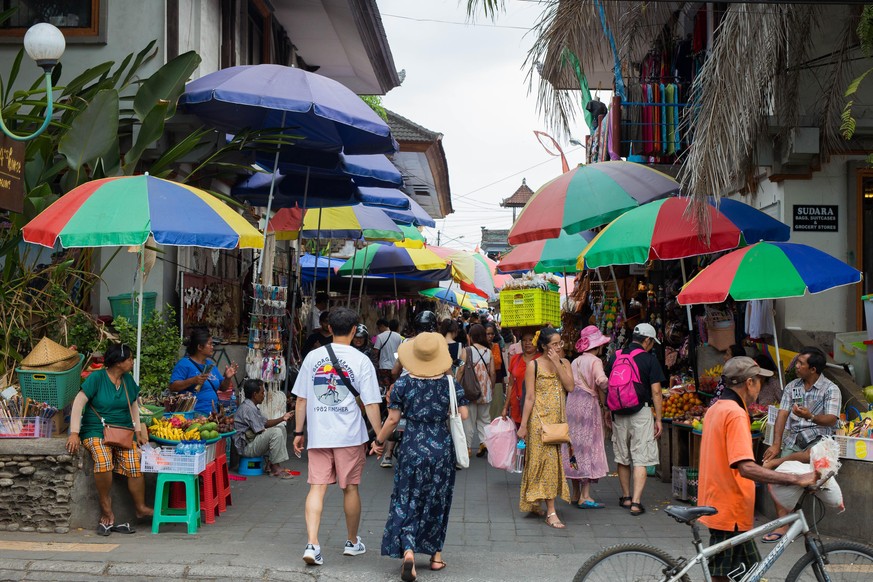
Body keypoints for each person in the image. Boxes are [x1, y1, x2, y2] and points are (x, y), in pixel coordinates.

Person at [698, 356, 817, 582]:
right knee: (732, 576)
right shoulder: (734, 413)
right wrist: (793, 478)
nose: (760, 387)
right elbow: (746, 468)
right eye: (759, 381)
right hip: (729, 509)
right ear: (749, 383)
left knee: (742, 575)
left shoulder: (716, 409)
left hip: (720, 503)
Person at [371, 332, 469, 582]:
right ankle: (436, 557)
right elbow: (464, 415)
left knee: (407, 497)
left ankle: (409, 552)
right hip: (441, 448)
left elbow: (392, 419)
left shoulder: (403, 384)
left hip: (413, 446)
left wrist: (379, 441)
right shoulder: (450, 384)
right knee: (437, 498)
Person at [292, 307, 384, 566]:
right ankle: (352, 542)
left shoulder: (312, 358)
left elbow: (301, 399)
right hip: (350, 436)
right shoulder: (361, 360)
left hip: (319, 434)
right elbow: (372, 404)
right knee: (351, 488)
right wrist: (379, 437)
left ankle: (312, 544)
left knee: (316, 488)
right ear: (355, 330)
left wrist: (299, 432)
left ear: (329, 328)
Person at [66, 342, 152, 536]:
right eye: (129, 359)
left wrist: (138, 430)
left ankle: (140, 508)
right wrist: (74, 432)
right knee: (103, 460)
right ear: (118, 362)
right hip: (95, 431)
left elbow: (133, 406)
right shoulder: (97, 378)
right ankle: (106, 507)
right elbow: (79, 402)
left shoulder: (127, 379)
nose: (132, 362)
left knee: (134, 463)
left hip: (122, 432)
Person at [761, 346, 839, 541]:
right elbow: (782, 414)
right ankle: (782, 525)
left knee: (808, 455)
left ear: (813, 369)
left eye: (800, 363)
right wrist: (776, 444)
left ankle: (781, 462)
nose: (796, 366)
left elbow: (831, 419)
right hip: (794, 438)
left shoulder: (831, 389)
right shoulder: (792, 386)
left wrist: (811, 416)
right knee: (778, 477)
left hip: (819, 438)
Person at [606, 322, 665, 516]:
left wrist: (607, 408)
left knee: (622, 457)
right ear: (647, 340)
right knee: (640, 458)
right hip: (641, 413)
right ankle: (636, 503)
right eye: (651, 342)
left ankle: (625, 497)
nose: (651, 346)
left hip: (618, 413)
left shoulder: (615, 356)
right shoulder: (649, 359)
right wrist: (658, 419)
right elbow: (656, 392)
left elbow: (607, 384)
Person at [517, 327, 574, 528]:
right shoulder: (533, 365)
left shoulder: (565, 362)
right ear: (544, 346)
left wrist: (558, 363)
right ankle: (550, 511)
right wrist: (523, 425)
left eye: (560, 343)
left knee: (550, 462)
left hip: (557, 421)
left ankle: (537, 500)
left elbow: (570, 387)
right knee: (539, 462)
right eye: (554, 344)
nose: (559, 347)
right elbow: (529, 397)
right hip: (538, 421)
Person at [382, 310, 439, 468]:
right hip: (431, 388)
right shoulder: (439, 344)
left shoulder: (405, 343)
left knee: (395, 417)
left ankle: (387, 455)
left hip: (406, 387)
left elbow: (395, 370)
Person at [563, 326, 611, 508]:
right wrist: (611, 383)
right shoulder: (595, 361)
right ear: (597, 346)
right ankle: (585, 495)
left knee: (574, 447)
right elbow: (601, 381)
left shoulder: (575, 361)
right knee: (589, 447)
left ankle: (575, 493)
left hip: (573, 405)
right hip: (588, 407)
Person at [169, 328, 238, 415]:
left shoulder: (210, 365)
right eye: (210, 344)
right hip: (193, 415)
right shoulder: (184, 364)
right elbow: (173, 386)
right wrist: (192, 381)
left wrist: (227, 378)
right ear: (200, 347)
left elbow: (223, 388)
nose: (212, 347)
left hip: (213, 414)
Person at [233, 379, 294, 478]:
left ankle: (271, 464)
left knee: (281, 428)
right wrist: (272, 433)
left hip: (252, 442)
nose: (264, 395)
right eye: (262, 393)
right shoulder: (248, 408)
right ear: (254, 394)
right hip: (246, 448)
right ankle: (275, 467)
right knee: (276, 432)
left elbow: (265, 423)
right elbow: (261, 429)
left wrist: (283, 418)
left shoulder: (251, 406)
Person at [458, 323, 495, 458]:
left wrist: (456, 384)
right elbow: (492, 372)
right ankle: (484, 443)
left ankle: (467, 448)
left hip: (470, 390)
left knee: (468, 420)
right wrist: (491, 388)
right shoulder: (488, 352)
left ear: (471, 337)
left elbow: (461, 370)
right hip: (485, 390)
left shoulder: (466, 351)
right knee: (484, 419)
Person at [501, 331, 539, 426]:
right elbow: (510, 384)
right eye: (524, 340)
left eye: (531, 340)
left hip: (536, 406)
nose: (527, 343)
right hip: (517, 405)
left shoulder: (542, 358)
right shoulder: (515, 358)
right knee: (519, 437)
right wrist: (505, 407)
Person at [484, 322, 506, 423]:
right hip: (484, 383)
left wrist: (503, 383)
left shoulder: (497, 346)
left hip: (497, 381)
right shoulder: (481, 349)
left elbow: (502, 366)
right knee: (486, 413)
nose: (490, 336)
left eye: (492, 334)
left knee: (497, 411)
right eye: (487, 334)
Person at [373, 318, 402, 391]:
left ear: (382, 326)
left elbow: (375, 352)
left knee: (386, 388)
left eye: (379, 327)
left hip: (384, 367)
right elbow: (400, 351)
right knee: (394, 387)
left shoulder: (380, 337)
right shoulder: (398, 336)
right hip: (395, 366)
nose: (378, 329)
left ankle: (386, 401)